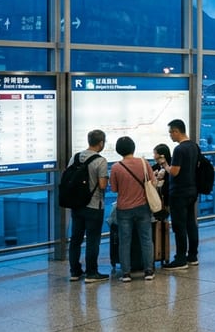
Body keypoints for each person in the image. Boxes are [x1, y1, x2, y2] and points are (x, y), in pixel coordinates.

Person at [108, 136, 156, 282]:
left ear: (118, 150)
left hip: (124, 209)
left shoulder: (116, 167)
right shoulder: (143, 163)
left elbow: (114, 189)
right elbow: (152, 182)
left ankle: (126, 273)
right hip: (143, 206)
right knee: (146, 239)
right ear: (133, 147)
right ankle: (148, 271)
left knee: (124, 241)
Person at [68, 130, 110, 283]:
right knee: (93, 240)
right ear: (101, 143)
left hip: (76, 205)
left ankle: (74, 271)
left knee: (76, 239)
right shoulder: (101, 161)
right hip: (94, 206)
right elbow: (102, 185)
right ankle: (92, 272)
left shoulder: (75, 157)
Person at [163, 119, 199, 270]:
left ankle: (180, 258)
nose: (170, 135)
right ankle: (192, 256)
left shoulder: (179, 150)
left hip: (179, 193)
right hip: (192, 190)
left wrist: (165, 165)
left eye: (171, 132)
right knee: (191, 223)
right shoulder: (194, 146)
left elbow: (175, 171)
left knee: (179, 226)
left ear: (177, 131)